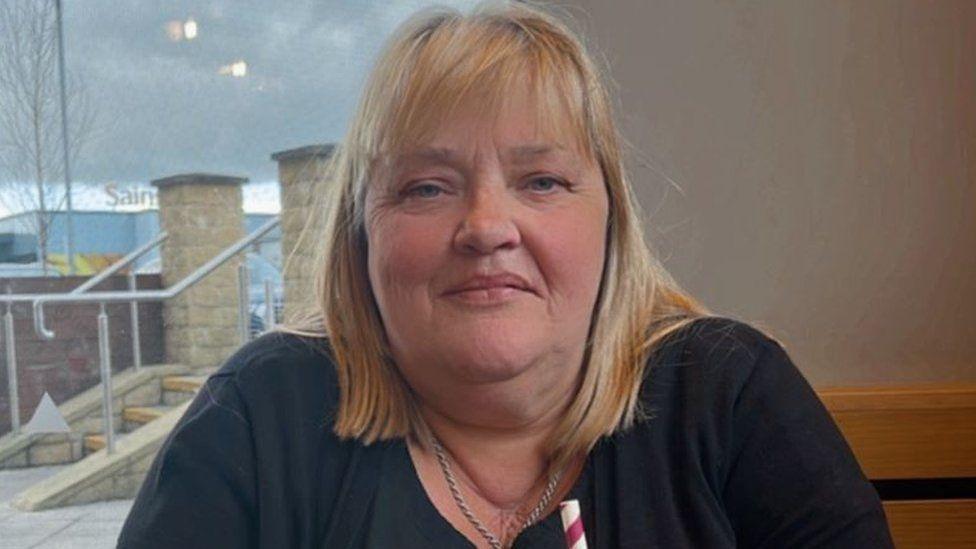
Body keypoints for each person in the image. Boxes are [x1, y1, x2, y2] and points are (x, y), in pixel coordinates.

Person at [118, 2, 894, 548]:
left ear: (613, 223)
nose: (487, 227)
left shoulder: (728, 397)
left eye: (542, 181)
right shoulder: (259, 419)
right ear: (361, 235)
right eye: (427, 186)